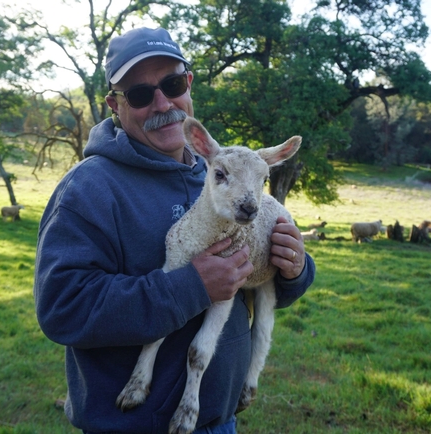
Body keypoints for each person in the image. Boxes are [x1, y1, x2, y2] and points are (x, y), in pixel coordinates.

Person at [34, 27, 316, 434]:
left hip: (220, 420)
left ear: (189, 83)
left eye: (172, 83)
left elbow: (250, 281)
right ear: (115, 104)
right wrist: (190, 287)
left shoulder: (222, 171)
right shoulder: (88, 189)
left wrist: (294, 269)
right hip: (131, 425)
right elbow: (63, 308)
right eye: (140, 94)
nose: (162, 103)